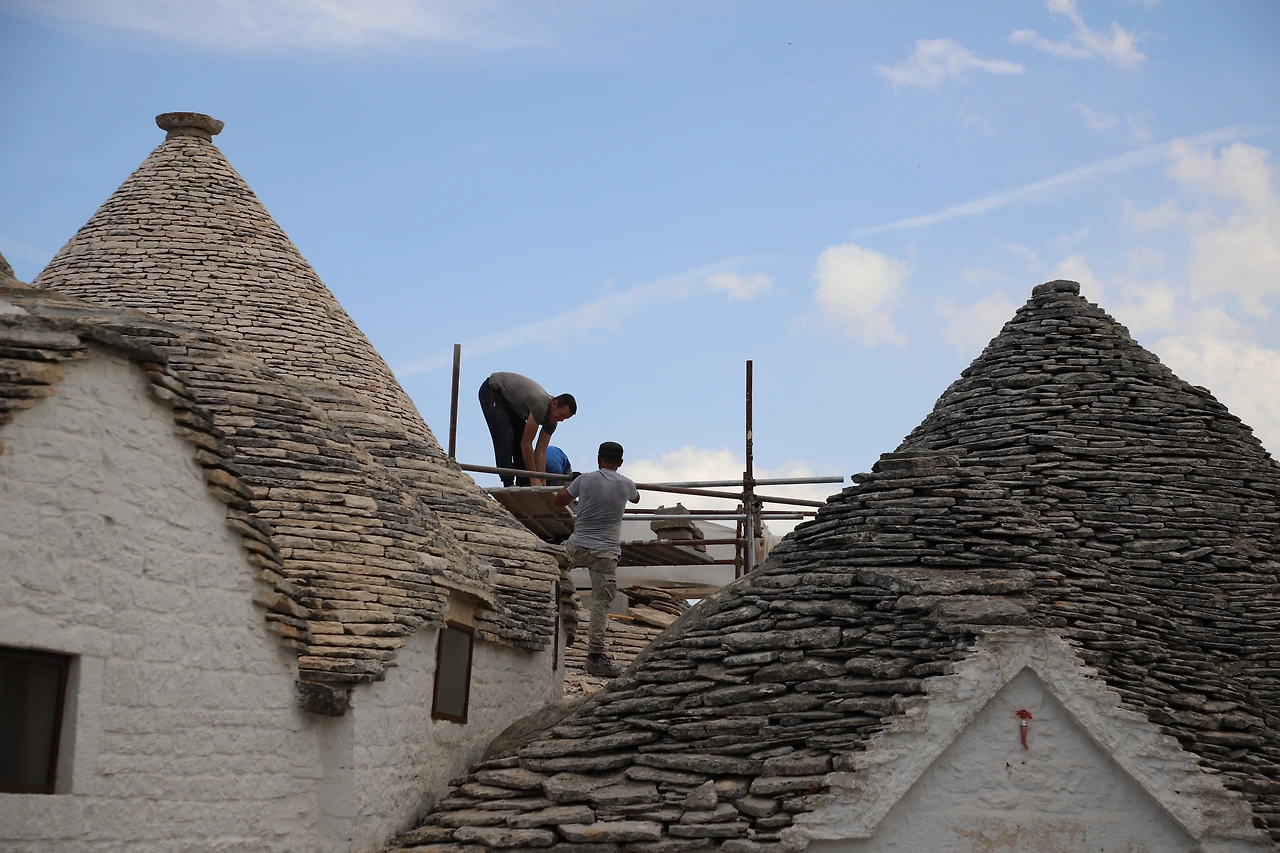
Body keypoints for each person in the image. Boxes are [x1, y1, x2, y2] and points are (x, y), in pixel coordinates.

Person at [554, 441, 640, 677]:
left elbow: (558, 501)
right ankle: (594, 657)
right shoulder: (627, 484)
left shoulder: (585, 480)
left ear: (598, 459)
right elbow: (636, 498)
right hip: (606, 553)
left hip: (578, 545)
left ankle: (551, 625)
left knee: (551, 574)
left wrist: (573, 485)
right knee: (601, 603)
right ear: (620, 463)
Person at [479, 372, 576, 487]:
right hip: (493, 389)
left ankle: (523, 482)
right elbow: (526, 444)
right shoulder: (540, 405)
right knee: (506, 436)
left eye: (565, 418)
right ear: (554, 404)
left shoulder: (552, 423)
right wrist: (533, 477)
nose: (561, 419)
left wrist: (543, 482)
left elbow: (540, 452)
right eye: (561, 415)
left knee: (519, 438)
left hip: (513, 405)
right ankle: (508, 482)